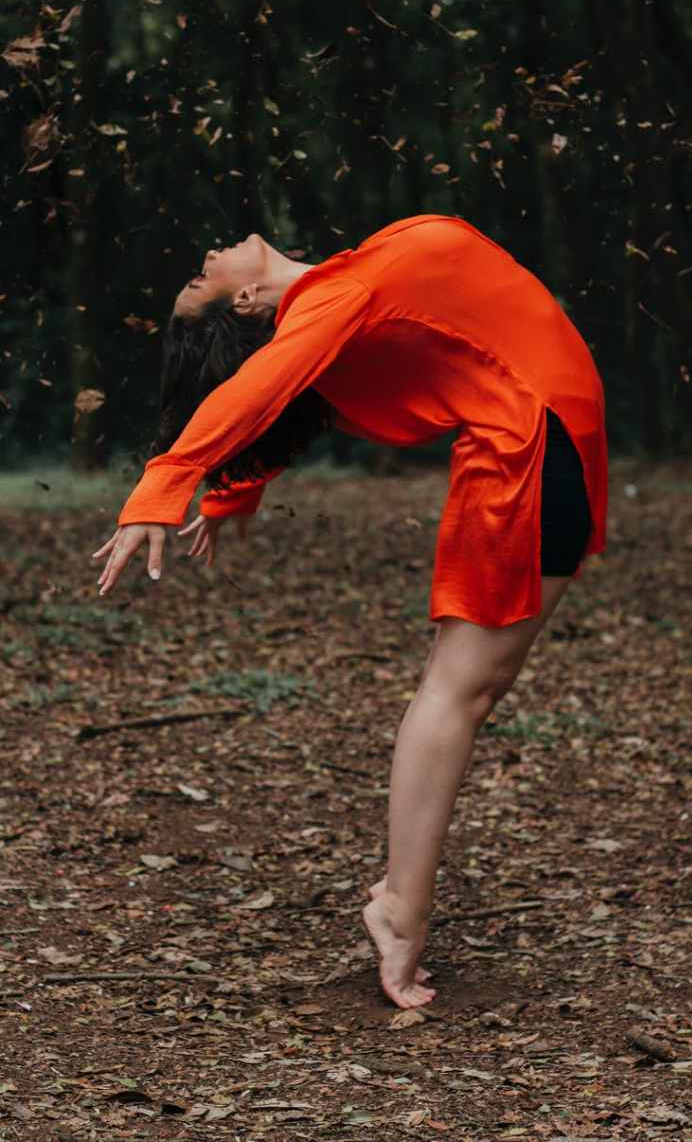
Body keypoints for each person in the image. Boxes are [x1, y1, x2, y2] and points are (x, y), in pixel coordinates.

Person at [93, 214, 608, 1010]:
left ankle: (402, 900)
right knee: (459, 692)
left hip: (541, 439)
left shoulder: (340, 289)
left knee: (463, 689)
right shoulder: (331, 302)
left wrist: (235, 487)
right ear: (250, 302)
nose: (203, 256)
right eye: (201, 281)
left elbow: (297, 387)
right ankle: (401, 909)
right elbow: (264, 384)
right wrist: (166, 484)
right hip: (530, 451)